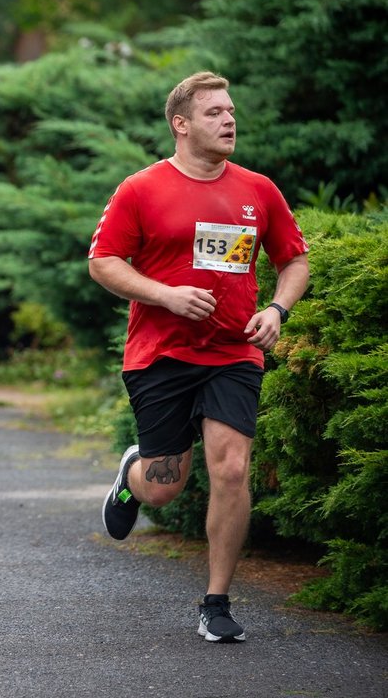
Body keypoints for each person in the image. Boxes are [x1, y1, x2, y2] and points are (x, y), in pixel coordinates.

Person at [88, 71, 310, 643]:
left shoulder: (259, 190)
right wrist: (165, 294)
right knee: (165, 486)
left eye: (231, 110)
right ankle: (132, 474)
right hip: (161, 354)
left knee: (232, 468)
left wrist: (278, 310)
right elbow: (104, 262)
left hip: (234, 350)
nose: (229, 120)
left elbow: (294, 261)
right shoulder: (140, 189)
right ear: (180, 125)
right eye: (214, 113)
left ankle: (216, 601)